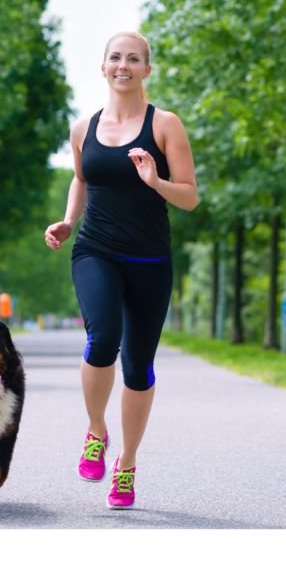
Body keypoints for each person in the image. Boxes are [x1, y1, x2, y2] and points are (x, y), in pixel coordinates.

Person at [45, 31, 198, 509]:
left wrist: (156, 180)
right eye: (116, 57)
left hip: (151, 259)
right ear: (104, 66)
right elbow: (81, 178)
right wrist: (70, 221)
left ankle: (126, 463)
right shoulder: (82, 128)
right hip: (97, 250)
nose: (124, 65)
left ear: (147, 70)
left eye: (134, 59)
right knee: (102, 338)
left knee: (137, 366)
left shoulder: (166, 125)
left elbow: (190, 196)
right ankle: (96, 430)